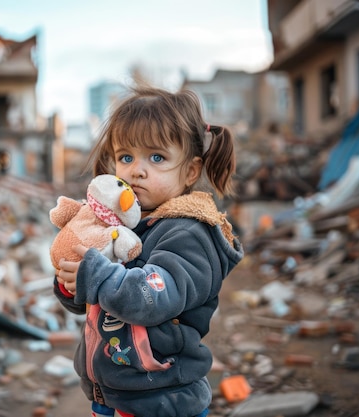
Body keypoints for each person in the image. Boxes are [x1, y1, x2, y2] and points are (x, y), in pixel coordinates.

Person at [53, 86, 244, 417]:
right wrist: (72, 280)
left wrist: (98, 275)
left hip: (162, 399)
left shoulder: (189, 232)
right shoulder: (121, 226)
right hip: (112, 394)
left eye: (157, 158)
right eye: (126, 157)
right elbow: (91, 298)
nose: (136, 170)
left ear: (190, 171)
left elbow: (154, 296)